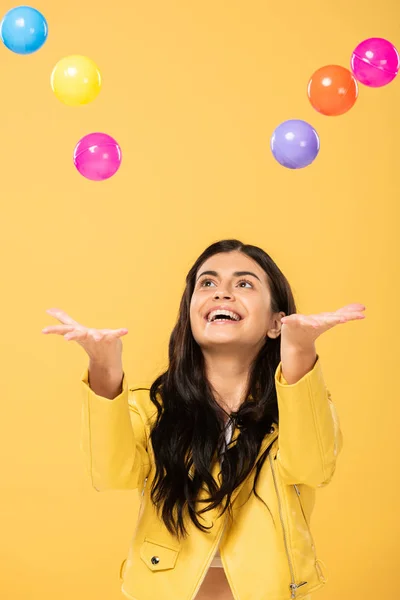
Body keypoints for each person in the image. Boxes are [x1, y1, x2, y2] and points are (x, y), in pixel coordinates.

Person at [42, 239, 366, 600]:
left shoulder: (299, 406)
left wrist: (300, 353)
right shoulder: (152, 408)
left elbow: (312, 467)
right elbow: (109, 473)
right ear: (191, 312)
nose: (221, 294)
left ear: (278, 322)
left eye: (244, 284)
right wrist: (103, 367)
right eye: (207, 283)